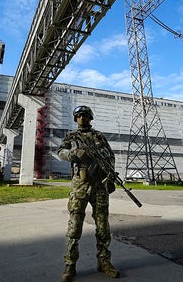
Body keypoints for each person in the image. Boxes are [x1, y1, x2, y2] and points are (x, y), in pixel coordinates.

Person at [57, 105, 120, 282]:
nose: (82, 118)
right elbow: (60, 152)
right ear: (75, 118)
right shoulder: (72, 136)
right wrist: (73, 153)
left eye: (85, 115)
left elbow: (110, 157)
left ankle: (104, 262)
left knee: (103, 226)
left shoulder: (99, 136)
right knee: (75, 226)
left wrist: (110, 178)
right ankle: (70, 265)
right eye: (79, 116)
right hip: (80, 185)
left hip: (99, 185)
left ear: (90, 118)